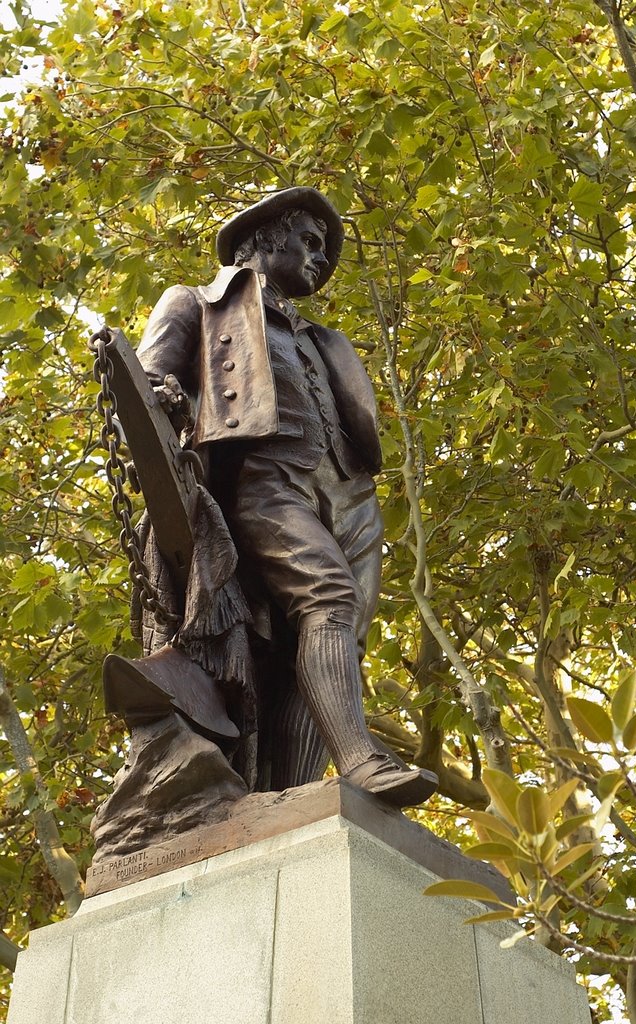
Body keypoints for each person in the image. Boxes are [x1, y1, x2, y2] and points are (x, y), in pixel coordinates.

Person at [136, 187, 438, 807]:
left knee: (340, 632)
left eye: (323, 251)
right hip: (267, 482)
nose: (319, 260)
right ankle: (358, 760)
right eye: (310, 241)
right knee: (327, 594)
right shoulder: (198, 303)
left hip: (350, 495)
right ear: (264, 239)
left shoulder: (323, 340)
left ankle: (294, 799)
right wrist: (166, 398)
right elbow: (142, 386)